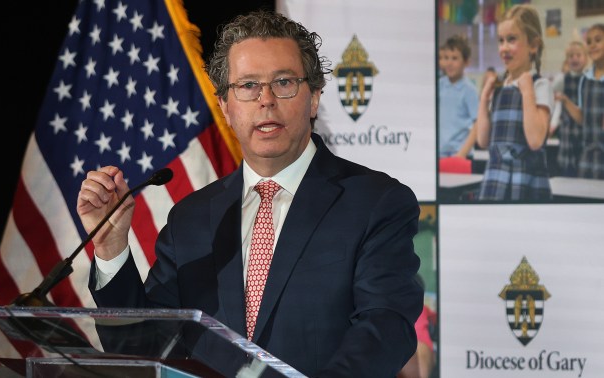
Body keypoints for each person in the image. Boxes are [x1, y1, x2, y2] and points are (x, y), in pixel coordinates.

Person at [77, 9, 423, 377]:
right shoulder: (191, 218)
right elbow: (143, 349)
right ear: (225, 106)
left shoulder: (376, 203)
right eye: (248, 86)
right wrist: (112, 248)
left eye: (284, 82)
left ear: (315, 97)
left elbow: (385, 328)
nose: (266, 100)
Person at [475, 4, 554, 201]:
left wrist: (527, 91)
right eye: (501, 40)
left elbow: (535, 140)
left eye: (512, 39)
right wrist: (484, 99)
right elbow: (483, 141)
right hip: (495, 177)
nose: (504, 48)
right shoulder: (500, 87)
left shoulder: (540, 85)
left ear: (533, 45)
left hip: (525, 179)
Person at [556, 23, 604, 179]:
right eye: (589, 42)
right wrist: (565, 101)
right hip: (588, 153)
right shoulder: (585, 80)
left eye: (598, 40)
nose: (593, 45)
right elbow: (582, 118)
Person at [549, 41, 589, 177]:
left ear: (586, 58)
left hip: (584, 136)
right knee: (568, 173)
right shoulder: (561, 80)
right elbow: (551, 97)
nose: (575, 58)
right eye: (571, 56)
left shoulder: (589, 80)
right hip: (567, 135)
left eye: (578, 55)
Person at [438, 34, 479, 158]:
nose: (449, 63)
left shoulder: (469, 90)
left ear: (466, 62)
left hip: (460, 154)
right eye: (446, 58)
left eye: (455, 58)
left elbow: (477, 124)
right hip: (439, 154)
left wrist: (461, 154)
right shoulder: (439, 85)